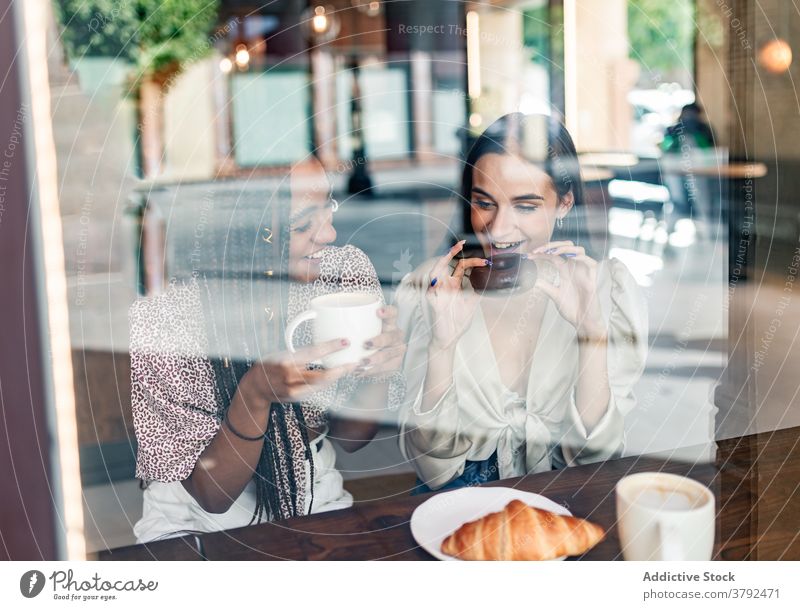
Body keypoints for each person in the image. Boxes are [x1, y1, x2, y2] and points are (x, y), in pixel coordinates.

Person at [130, 158, 405, 543]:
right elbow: (212, 497)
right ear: (244, 232)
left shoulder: (342, 274)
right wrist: (255, 394)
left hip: (314, 495)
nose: (328, 234)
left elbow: (350, 438)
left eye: (330, 208)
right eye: (302, 224)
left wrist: (379, 371)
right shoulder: (168, 319)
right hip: (195, 524)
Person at [396, 113, 648, 492]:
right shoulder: (436, 286)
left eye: (526, 206)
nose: (498, 230)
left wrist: (591, 334)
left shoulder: (608, 289)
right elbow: (432, 467)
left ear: (564, 204)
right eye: (484, 203)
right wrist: (441, 346)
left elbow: (595, 459)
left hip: (566, 495)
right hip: (456, 505)